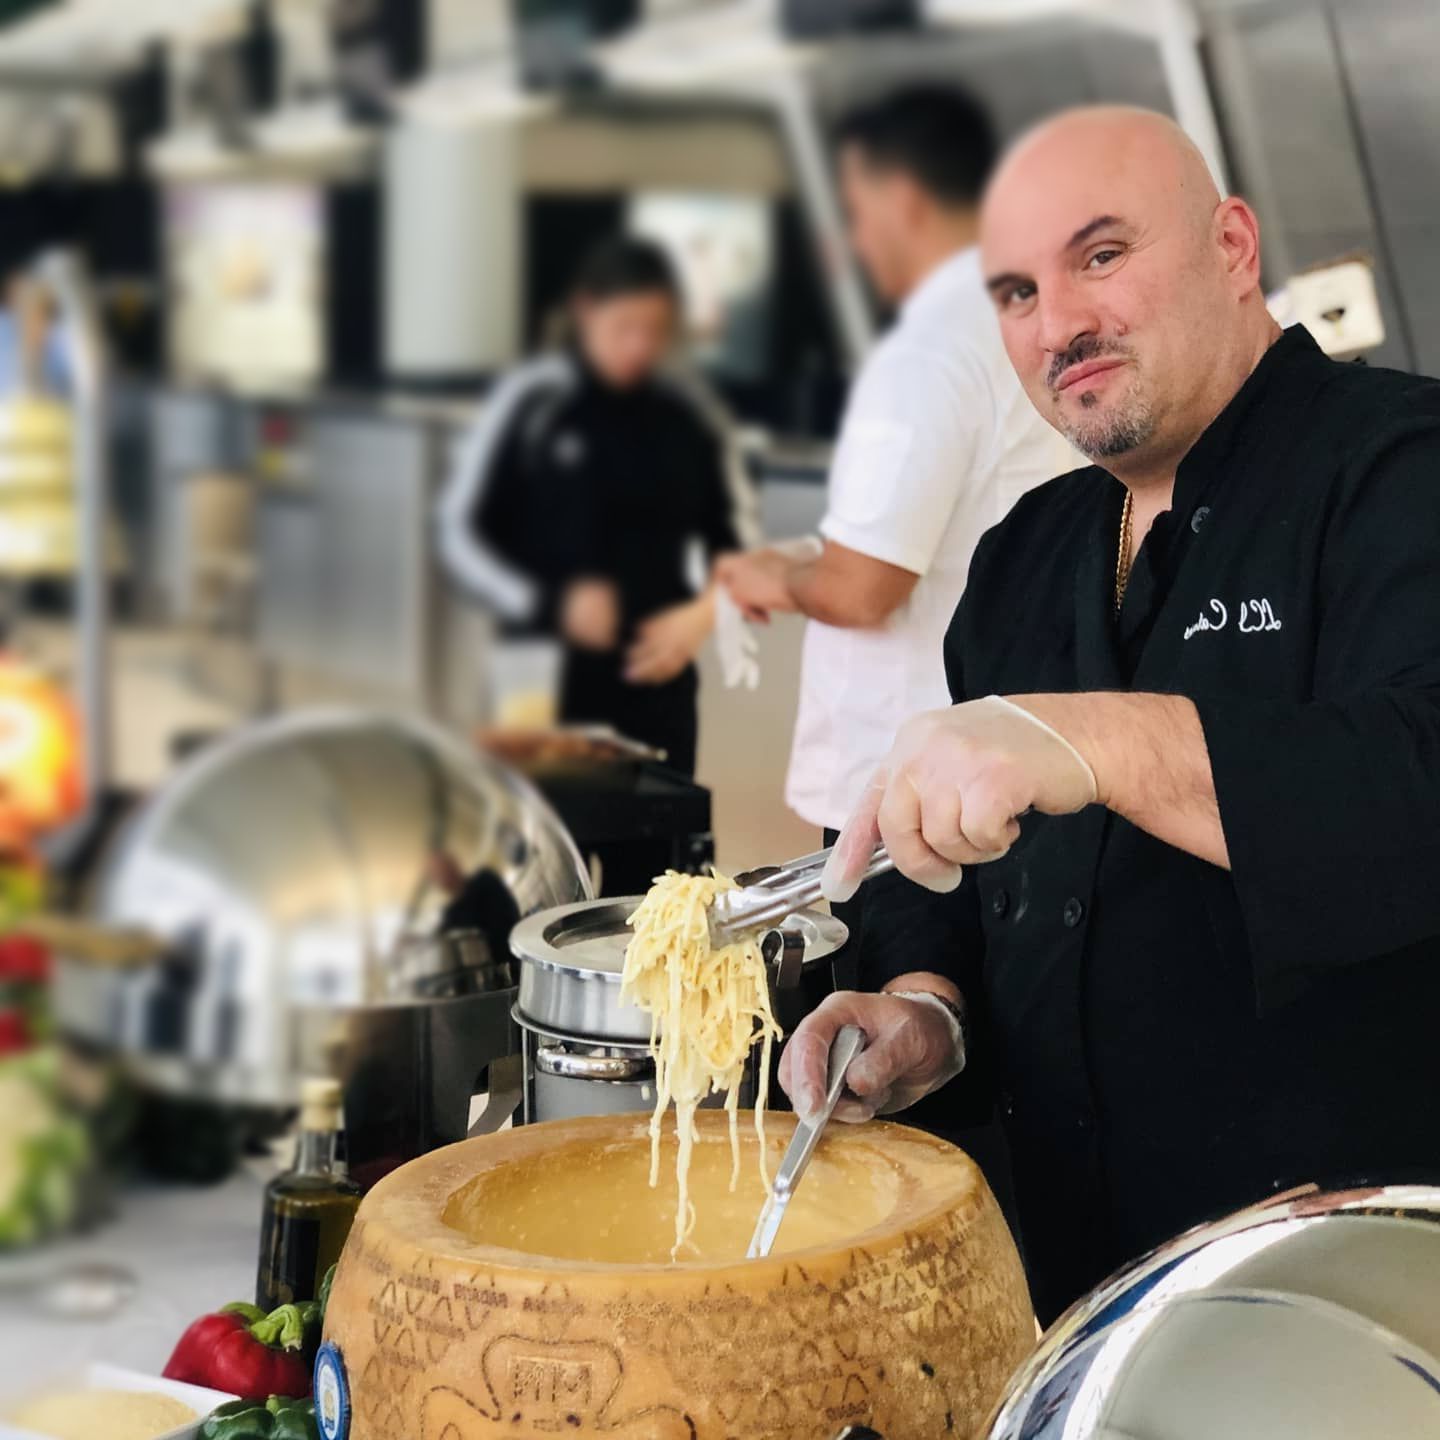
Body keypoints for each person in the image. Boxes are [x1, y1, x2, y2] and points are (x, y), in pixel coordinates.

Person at [781, 104, 1440, 1324]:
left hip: (1352, 1310)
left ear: (1233, 247)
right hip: (1069, 1297)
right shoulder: (1026, 553)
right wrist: (924, 1007)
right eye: (1018, 293)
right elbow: (958, 879)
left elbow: (1417, 786)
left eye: (1102, 255)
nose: (1059, 325)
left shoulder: (1401, 465)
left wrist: (1090, 741)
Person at [716, 87, 1069, 999]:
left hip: (902, 781)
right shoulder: (1029, 320)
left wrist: (777, 577)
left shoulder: (926, 354)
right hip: (1007, 752)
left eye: (857, 209)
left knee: (891, 1028)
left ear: (903, 200)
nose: (853, 239)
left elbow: (863, 588)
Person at [437, 237, 756, 777]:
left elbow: (737, 549)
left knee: (662, 832)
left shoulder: (688, 415)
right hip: (541, 687)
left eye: (655, 330)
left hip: (658, 692)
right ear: (585, 310)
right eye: (623, 327)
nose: (639, 347)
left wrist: (701, 618)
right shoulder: (533, 400)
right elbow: (458, 534)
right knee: (542, 828)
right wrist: (551, 603)